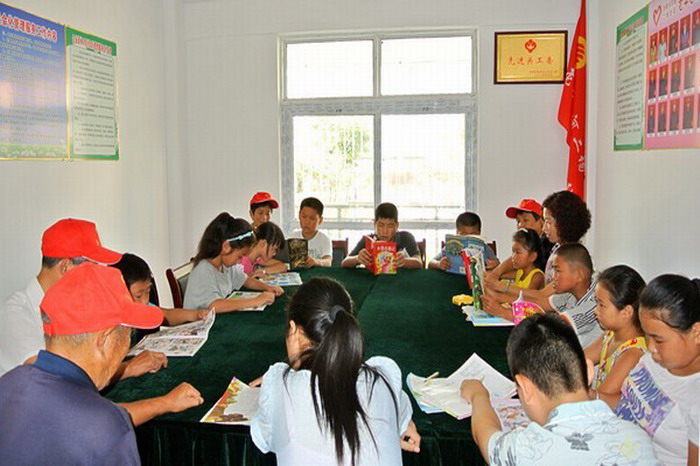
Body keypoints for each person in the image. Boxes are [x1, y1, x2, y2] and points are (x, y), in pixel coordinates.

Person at [0, 264, 203, 465]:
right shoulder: (107, 429)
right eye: (128, 335)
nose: (126, 346)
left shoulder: (7, 383)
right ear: (104, 339)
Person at [250, 277, 420, 464]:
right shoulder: (384, 378)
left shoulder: (278, 386)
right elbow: (400, 412)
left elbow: (263, 438)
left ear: (294, 330)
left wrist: (277, 379)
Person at [460, 312, 659, 466]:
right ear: (588, 371)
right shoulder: (640, 440)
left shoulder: (526, 450)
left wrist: (478, 395)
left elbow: (486, 437)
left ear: (525, 388)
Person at [0, 219, 165, 380]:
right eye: (91, 265)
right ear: (65, 267)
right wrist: (128, 368)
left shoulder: (78, 303)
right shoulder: (14, 313)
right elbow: (50, 378)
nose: (95, 272)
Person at [615, 274, 700, 466]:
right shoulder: (655, 360)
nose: (650, 347)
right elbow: (626, 404)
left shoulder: (695, 397)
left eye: (658, 340)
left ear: (696, 333)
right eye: (646, 335)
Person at [183, 213, 283, 312]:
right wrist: (255, 301)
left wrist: (268, 287)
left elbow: (246, 280)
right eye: (240, 256)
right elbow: (215, 305)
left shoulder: (226, 266)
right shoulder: (203, 269)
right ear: (226, 247)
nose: (240, 261)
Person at [584, 265, 646, 409]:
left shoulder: (633, 353)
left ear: (626, 312)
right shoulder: (610, 335)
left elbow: (602, 398)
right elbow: (579, 359)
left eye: (601, 305)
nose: (595, 311)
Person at [112, 253, 209, 327]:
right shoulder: (112, 320)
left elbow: (167, 314)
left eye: (148, 291)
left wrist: (195, 314)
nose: (145, 300)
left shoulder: (145, 307)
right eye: (138, 296)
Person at [342, 202, 423, 269]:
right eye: (381, 225)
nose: (385, 231)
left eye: (390, 226)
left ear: (397, 225)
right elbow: (345, 262)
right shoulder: (368, 240)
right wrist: (357, 259)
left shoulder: (405, 237)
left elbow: (419, 262)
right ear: (374, 224)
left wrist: (404, 261)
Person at [428, 211, 498, 271]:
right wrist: (438, 264)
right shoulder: (450, 247)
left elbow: (498, 263)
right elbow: (430, 263)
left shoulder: (484, 248)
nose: (468, 238)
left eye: (473, 235)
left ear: (479, 233)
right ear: (457, 233)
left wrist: (494, 264)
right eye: (464, 234)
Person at [290, 197, 332, 268]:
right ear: (299, 215)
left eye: (312, 218)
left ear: (320, 220)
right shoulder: (292, 237)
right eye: (304, 217)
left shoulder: (324, 239)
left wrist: (317, 262)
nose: (307, 222)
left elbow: (328, 262)